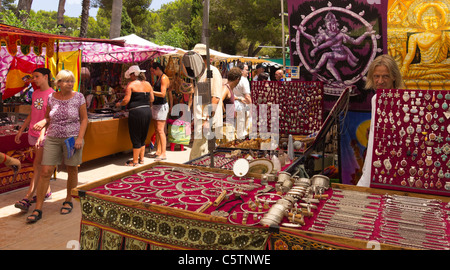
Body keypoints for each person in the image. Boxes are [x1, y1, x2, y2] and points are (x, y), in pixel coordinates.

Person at [26, 70, 88, 223]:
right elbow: (48, 116)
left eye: (72, 81)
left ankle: (68, 199)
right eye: (66, 81)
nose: (70, 84)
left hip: (72, 138)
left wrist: (80, 137)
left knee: (72, 169)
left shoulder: (79, 97)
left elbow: (84, 119)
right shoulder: (51, 97)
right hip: (52, 138)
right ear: (58, 83)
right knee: (46, 170)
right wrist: (43, 122)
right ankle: (38, 207)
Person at [357, 54, 405, 187]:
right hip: (375, 161)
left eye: (385, 76)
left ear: (394, 77)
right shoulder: (376, 99)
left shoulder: (402, 101)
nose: (380, 81)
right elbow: (374, 138)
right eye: (376, 76)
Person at [14, 68, 54, 212]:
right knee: (40, 163)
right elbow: (32, 112)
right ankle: (47, 190)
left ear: (45, 77)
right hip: (32, 132)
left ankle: (28, 197)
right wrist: (22, 129)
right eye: (33, 76)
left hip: (44, 135)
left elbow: (50, 119)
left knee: (37, 164)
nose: (34, 79)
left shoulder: (52, 95)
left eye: (36, 76)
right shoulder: (36, 93)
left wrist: (42, 135)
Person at [189, 43, 223, 160]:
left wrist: (208, 119)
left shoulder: (211, 71)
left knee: (200, 156)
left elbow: (215, 98)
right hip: (203, 121)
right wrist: (198, 118)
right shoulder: (204, 72)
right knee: (200, 155)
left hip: (208, 122)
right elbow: (204, 99)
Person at [116, 65, 154, 166]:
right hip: (147, 111)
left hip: (136, 112)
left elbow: (126, 100)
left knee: (136, 136)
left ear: (133, 74)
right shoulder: (148, 84)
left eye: (130, 75)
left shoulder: (131, 85)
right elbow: (152, 99)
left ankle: (135, 161)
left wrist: (119, 104)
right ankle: (141, 159)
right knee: (143, 136)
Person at [149, 62, 170, 161]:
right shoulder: (158, 78)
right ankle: (158, 151)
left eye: (153, 71)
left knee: (160, 130)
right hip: (156, 105)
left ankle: (163, 153)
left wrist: (151, 91)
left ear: (157, 68)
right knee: (157, 129)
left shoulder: (163, 78)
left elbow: (162, 94)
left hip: (161, 106)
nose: (152, 73)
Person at [220, 67, 242, 142]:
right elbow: (219, 100)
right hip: (226, 125)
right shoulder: (226, 88)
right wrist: (224, 113)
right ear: (237, 79)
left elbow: (228, 99)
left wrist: (238, 99)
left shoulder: (229, 89)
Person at [233, 63, 252, 138]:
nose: (248, 71)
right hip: (242, 105)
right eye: (247, 70)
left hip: (234, 104)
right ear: (241, 71)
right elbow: (247, 96)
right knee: (242, 128)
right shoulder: (244, 80)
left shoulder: (234, 79)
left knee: (236, 126)